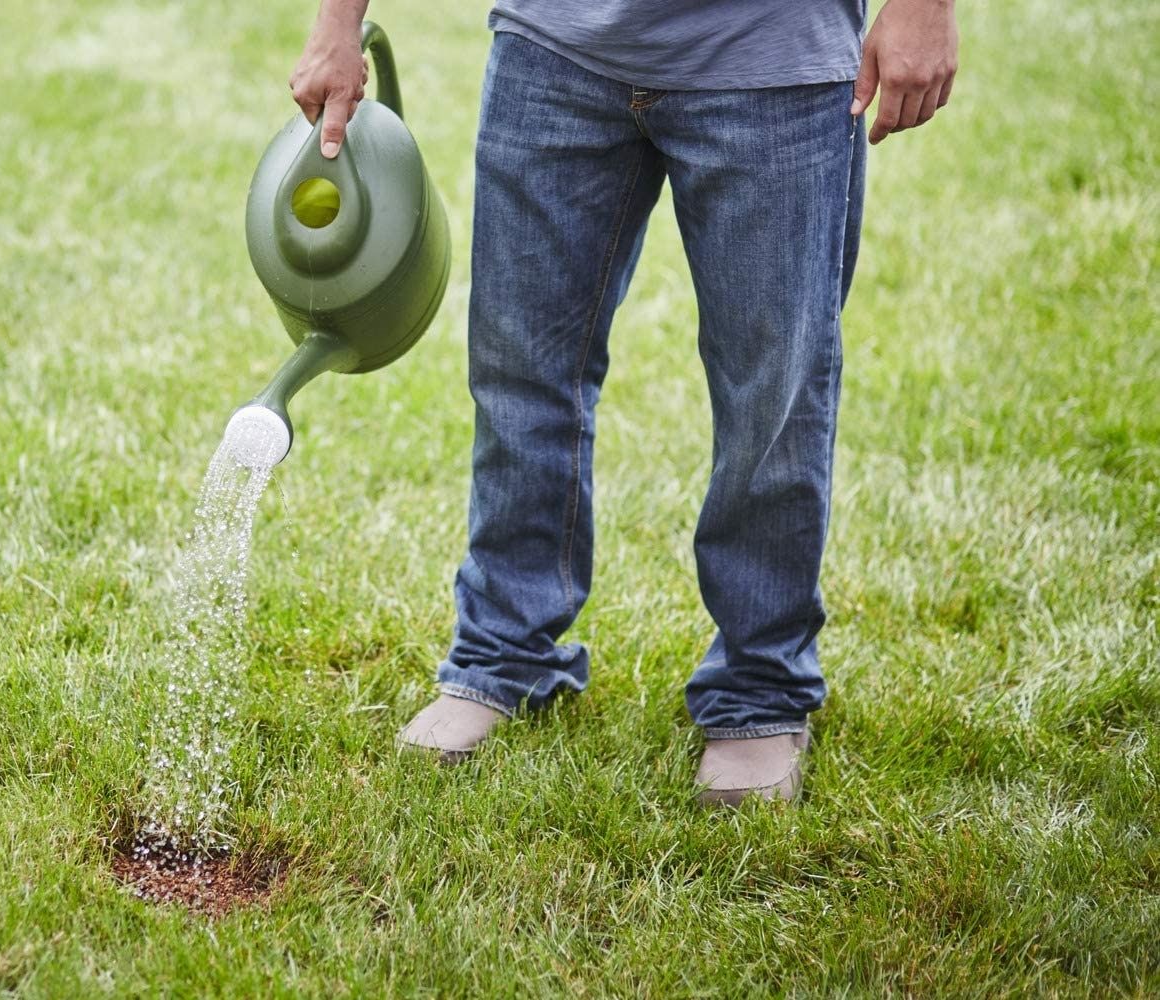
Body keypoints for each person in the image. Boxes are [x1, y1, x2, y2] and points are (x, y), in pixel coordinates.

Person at [290, 0, 958, 805]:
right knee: (519, 367)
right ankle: (504, 655)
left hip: (772, 56)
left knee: (771, 392)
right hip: (555, 48)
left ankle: (760, 688)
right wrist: (336, 21)